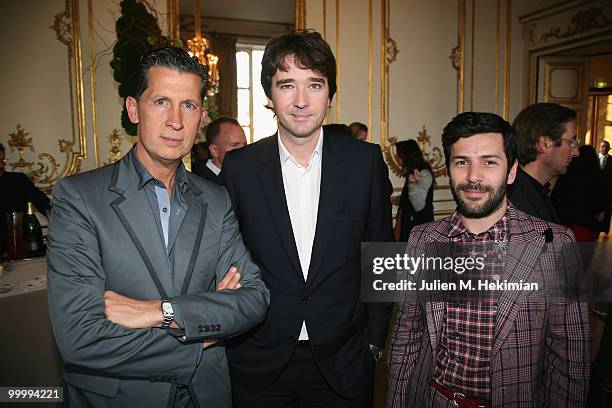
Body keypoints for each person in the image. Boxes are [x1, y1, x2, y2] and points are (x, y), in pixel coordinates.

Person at [46, 47, 269, 407]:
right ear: (134, 109)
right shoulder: (80, 198)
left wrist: (161, 311)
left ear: (201, 116)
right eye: (162, 102)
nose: (176, 121)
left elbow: (255, 298)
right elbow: (82, 338)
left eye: (189, 105)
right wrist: (203, 333)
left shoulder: (216, 200)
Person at [221, 30, 393, 407]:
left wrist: (375, 344)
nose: (301, 101)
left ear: (330, 95)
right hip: (259, 358)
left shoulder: (365, 162)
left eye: (314, 85)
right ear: (270, 95)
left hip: (345, 357)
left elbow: (381, 254)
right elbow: (224, 255)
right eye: (287, 85)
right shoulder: (240, 168)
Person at [387, 112, 589, 407]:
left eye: (489, 162)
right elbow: (406, 338)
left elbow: (570, 359)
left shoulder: (555, 244)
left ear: (511, 171)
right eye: (462, 162)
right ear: (449, 170)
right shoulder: (423, 239)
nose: (473, 176)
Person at [508, 102, 579, 223]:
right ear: (545, 144)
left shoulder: (530, 190)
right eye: (571, 142)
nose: (576, 152)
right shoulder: (516, 202)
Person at [0, 142, 51, 255]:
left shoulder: (18, 180)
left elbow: (45, 204)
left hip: (22, 246)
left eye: (2, 160)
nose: (1, 166)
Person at [551, 144, 607, 242]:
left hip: (565, 220)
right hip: (587, 223)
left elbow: (555, 196)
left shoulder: (568, 172)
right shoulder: (599, 176)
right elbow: (603, 202)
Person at [394, 139, 434, 241]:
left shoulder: (423, 173)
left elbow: (418, 204)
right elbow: (412, 196)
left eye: (398, 154)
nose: (395, 157)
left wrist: (412, 185)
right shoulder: (413, 172)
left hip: (417, 226)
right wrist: (398, 199)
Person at [192, 117, 246, 184]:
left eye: (245, 144)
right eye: (235, 145)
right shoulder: (197, 182)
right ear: (214, 150)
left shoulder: (248, 173)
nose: (244, 150)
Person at [598, 140, 612, 236]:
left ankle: (605, 229)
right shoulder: (595, 159)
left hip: (608, 190)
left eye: (606, 147)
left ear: (609, 149)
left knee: (607, 209)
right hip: (596, 189)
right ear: (599, 148)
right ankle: (596, 227)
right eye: (602, 146)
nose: (604, 148)